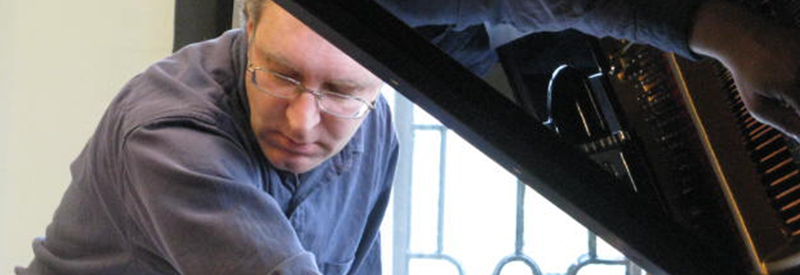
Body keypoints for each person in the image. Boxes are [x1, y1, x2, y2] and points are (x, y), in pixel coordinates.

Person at [15, 0, 800, 274]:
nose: (302, 121)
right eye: (280, 75)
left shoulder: (375, 132)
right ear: (245, 25)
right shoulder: (170, 133)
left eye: (343, 92)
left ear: (382, 85)